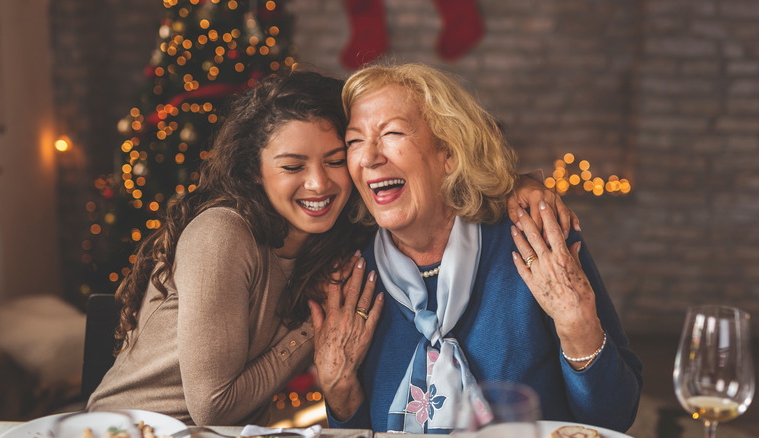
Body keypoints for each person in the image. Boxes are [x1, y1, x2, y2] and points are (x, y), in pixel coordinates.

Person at [87, 69, 573, 426]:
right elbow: (214, 406)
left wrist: (521, 186)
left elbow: (447, 177)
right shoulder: (224, 233)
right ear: (255, 171)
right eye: (292, 166)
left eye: (337, 159)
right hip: (126, 429)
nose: (318, 183)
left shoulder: (343, 238)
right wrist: (309, 330)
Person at [310, 63, 642, 434]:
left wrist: (578, 326)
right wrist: (339, 390)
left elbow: (615, 418)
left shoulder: (535, 238)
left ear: (448, 153)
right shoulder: (353, 276)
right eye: (354, 141)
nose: (369, 157)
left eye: (392, 133)